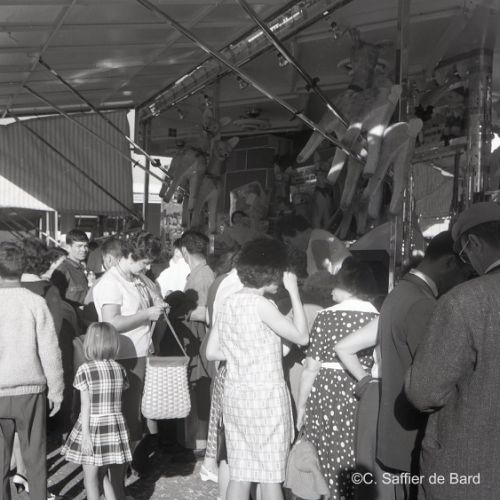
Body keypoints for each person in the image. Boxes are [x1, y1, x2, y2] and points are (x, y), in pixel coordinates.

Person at [406, 202, 500, 500]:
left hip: (468, 472)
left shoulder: (464, 301)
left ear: (474, 243)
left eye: (464, 253)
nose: (467, 263)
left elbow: (424, 392)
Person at [206, 237, 309, 500]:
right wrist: (295, 292)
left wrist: (244, 352)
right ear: (271, 273)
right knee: (270, 475)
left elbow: (211, 351)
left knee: (240, 474)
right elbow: (302, 336)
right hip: (266, 398)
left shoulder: (230, 302)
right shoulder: (263, 305)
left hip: (236, 395)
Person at [377, 231, 470, 500]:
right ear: (450, 263)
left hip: (398, 435)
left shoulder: (402, 292)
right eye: (464, 273)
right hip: (414, 439)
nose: (464, 281)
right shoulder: (422, 304)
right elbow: (432, 378)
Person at [296, 257, 379, 500]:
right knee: (357, 450)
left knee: (324, 452)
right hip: (361, 389)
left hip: (326, 391)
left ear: (348, 286)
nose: (331, 289)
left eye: (336, 284)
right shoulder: (377, 316)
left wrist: (301, 405)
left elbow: (311, 367)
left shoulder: (325, 317)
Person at [93, 232, 166, 488]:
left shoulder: (137, 278)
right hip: (123, 356)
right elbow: (111, 322)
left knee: (135, 416)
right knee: (126, 416)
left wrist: (157, 304)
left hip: (141, 352)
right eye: (144, 261)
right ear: (130, 255)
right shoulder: (110, 283)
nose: (147, 267)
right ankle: (117, 478)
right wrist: (147, 314)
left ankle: (125, 470)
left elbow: (152, 298)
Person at [0, 242, 64, 500]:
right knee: (35, 457)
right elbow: (50, 350)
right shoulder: (36, 302)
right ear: (23, 268)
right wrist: (56, 390)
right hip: (31, 391)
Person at [61, 323, 132, 500]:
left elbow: (85, 405)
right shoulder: (120, 369)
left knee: (90, 479)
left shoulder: (85, 370)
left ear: (90, 343)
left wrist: (85, 435)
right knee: (104, 474)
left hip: (93, 426)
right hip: (114, 426)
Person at [334, 316, 393, 500]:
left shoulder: (390, 313)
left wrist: (366, 382)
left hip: (379, 394)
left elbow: (343, 347)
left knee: (375, 474)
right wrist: (366, 382)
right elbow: (343, 347)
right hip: (384, 393)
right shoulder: (391, 314)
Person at [176, 230, 215, 455]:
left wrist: (183, 311)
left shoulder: (201, 277)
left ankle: (200, 443)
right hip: (199, 344)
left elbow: (206, 312)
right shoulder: (201, 273)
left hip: (201, 343)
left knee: (200, 391)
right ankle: (198, 441)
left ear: (184, 251)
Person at [276, 214, 351, 276]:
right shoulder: (316, 237)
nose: (290, 246)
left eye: (288, 241)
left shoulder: (317, 242)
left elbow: (324, 279)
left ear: (297, 232)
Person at [51, 229, 90, 308]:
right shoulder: (63, 270)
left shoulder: (82, 269)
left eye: (86, 246)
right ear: (68, 247)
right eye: (79, 246)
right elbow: (55, 299)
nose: (84, 250)